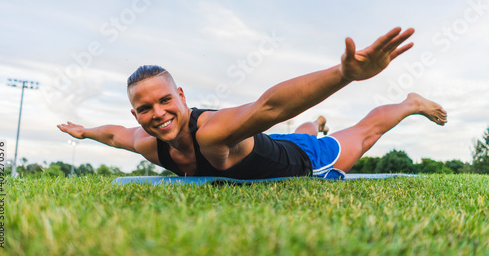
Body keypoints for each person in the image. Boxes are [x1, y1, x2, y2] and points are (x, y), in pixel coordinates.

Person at [58, 27, 447, 179]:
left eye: (164, 100)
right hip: (282, 143)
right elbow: (114, 135)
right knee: (301, 130)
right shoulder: (148, 143)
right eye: (145, 109)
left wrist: (343, 74)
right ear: (136, 114)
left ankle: (410, 102)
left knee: (364, 133)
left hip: (307, 159)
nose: (157, 114)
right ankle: (315, 123)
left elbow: (268, 108)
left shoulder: (211, 132)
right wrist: (84, 132)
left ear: (182, 97)